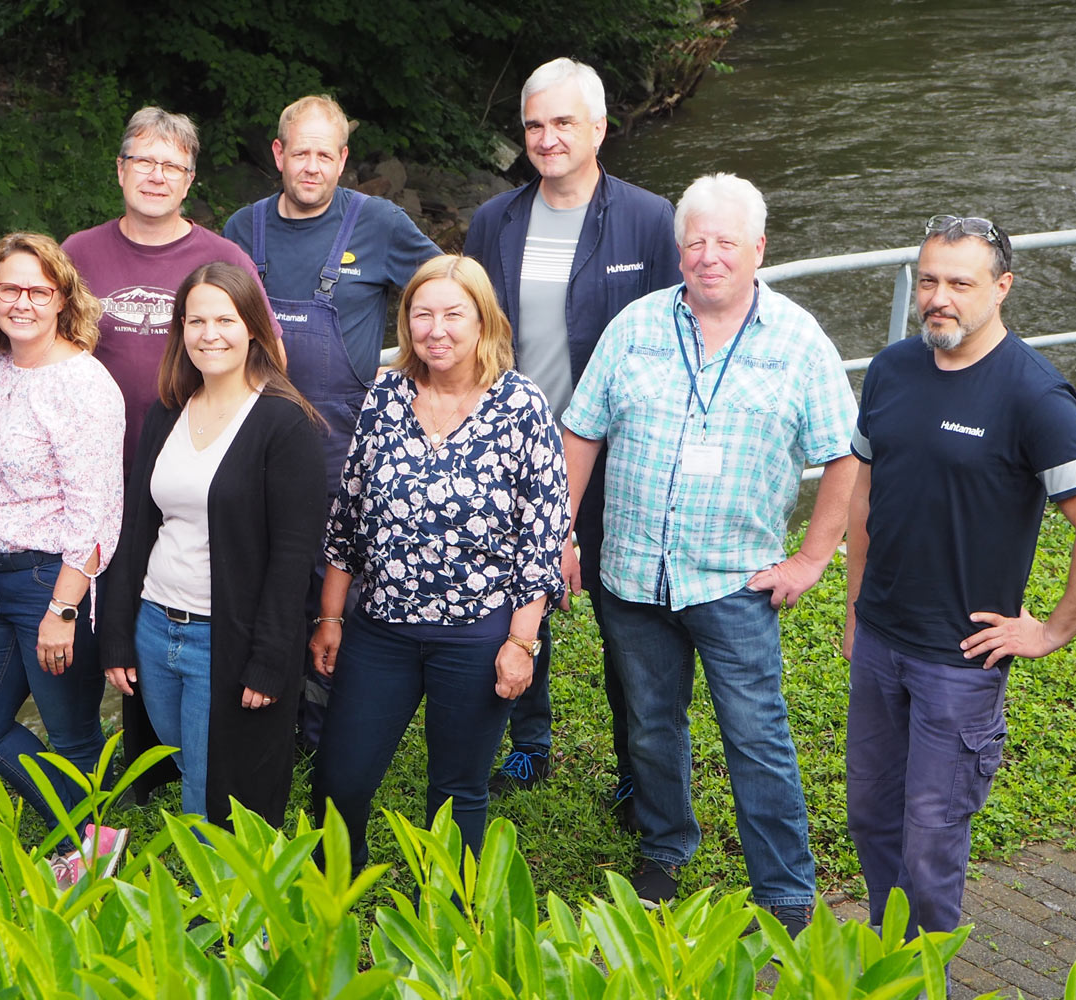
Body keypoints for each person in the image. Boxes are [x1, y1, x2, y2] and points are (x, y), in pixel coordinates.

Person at [560, 173, 857, 932]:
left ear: (758, 248)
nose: (709, 255)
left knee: (755, 735)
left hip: (733, 581)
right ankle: (664, 848)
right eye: (696, 241)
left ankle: (786, 893)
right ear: (678, 248)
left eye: (727, 241)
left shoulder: (796, 341)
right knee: (652, 725)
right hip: (631, 573)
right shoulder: (634, 326)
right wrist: (561, 532)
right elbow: (582, 432)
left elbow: (849, 456)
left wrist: (812, 559)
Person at [845, 215, 1076, 936]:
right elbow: (864, 495)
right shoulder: (892, 368)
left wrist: (1050, 631)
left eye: (960, 283)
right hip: (880, 642)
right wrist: (853, 610)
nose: (939, 297)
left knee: (929, 845)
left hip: (958, 664)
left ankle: (925, 977)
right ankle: (890, 964)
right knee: (871, 820)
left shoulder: (1033, 394)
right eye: (929, 280)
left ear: (1001, 288)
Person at [462, 58, 680, 808]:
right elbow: (477, 337)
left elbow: (670, 343)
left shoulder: (651, 220)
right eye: (534, 125)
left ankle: (634, 768)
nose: (547, 138)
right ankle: (530, 743)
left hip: (616, 457)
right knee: (515, 600)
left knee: (627, 618)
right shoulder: (495, 222)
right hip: (516, 455)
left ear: (599, 129)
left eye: (563, 123)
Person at [310, 255, 570, 867]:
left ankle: (451, 932)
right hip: (382, 629)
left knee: (456, 793)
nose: (437, 329)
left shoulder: (522, 407)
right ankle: (326, 911)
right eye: (422, 314)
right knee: (338, 783)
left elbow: (542, 536)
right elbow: (348, 514)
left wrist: (521, 643)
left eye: (454, 313)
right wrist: (330, 618)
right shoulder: (386, 396)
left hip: (477, 633)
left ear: (483, 322)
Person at [221, 94, 440, 746]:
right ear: (278, 154)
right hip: (250, 440)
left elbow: (449, 296)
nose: (311, 166)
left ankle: (326, 729)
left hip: (342, 450)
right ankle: (265, 717)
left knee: (334, 591)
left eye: (326, 154)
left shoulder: (380, 223)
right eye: (300, 152)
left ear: (342, 160)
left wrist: (417, 385)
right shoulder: (242, 229)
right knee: (258, 578)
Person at [62, 107, 265, 803]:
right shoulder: (78, 256)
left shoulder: (222, 259)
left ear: (190, 180)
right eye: (143, 161)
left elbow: (262, 358)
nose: (155, 175)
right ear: (119, 170)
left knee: (176, 611)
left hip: (191, 483)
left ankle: (186, 764)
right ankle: (116, 765)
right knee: (111, 625)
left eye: (172, 165)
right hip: (95, 482)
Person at [98, 262, 326, 828]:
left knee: (213, 794)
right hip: (156, 628)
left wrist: (272, 662)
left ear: (253, 327)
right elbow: (136, 527)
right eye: (195, 320)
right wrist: (119, 636)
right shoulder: (168, 411)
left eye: (225, 318)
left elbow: (293, 557)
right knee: (182, 764)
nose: (209, 334)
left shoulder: (284, 423)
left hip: (225, 638)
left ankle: (222, 911)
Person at [0, 232, 129, 886]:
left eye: (37, 290)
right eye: (8, 288)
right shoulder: (5, 364)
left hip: (54, 582)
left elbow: (98, 511)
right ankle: (95, 824)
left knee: (72, 734)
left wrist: (63, 607)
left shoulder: (82, 385)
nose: (21, 301)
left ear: (62, 298)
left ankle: (93, 854)